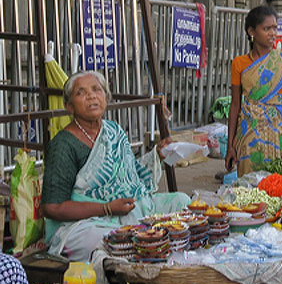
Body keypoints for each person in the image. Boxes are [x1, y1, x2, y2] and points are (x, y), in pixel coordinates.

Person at [41, 71, 190, 261]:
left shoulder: (113, 131)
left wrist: (158, 155)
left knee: (182, 202)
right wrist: (107, 208)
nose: (91, 96)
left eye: (96, 89)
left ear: (106, 97)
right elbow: (52, 207)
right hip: (86, 223)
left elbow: (130, 175)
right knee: (108, 240)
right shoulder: (63, 144)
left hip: (132, 210)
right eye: (81, 92)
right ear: (69, 106)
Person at [225, 5, 282, 176]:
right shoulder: (239, 63)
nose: (273, 33)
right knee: (249, 185)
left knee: (279, 182)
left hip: (280, 133)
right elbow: (235, 104)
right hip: (249, 134)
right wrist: (230, 145)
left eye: (275, 28)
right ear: (252, 31)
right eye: (267, 29)